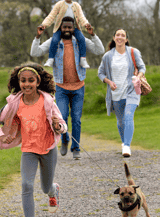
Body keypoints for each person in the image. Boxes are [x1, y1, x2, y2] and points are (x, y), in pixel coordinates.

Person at [0, 62, 67, 217]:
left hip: (48, 149)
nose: (26, 84)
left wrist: (59, 126)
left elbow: (63, 125)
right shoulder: (14, 103)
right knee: (26, 184)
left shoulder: (47, 101)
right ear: (19, 82)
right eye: (23, 81)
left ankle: (53, 190)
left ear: (38, 81)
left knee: (45, 187)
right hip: (29, 150)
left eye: (31, 80)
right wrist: (2, 136)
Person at [31, 16, 105, 159]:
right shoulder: (54, 42)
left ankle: (76, 148)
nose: (66, 30)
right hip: (61, 87)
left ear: (73, 28)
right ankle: (65, 141)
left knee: (76, 119)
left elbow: (99, 50)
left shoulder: (80, 41)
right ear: (60, 28)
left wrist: (93, 35)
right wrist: (37, 37)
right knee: (62, 117)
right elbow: (35, 52)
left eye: (69, 27)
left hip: (78, 87)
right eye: (64, 27)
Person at [98, 29, 146, 158]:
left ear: (126, 39)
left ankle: (126, 145)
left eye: (123, 35)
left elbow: (142, 67)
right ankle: (124, 142)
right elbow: (100, 73)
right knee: (120, 121)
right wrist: (108, 81)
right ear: (114, 38)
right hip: (116, 93)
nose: (120, 37)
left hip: (131, 90)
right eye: (118, 35)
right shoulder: (108, 56)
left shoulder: (133, 52)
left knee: (129, 115)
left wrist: (139, 77)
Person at [39, 0, 92, 69]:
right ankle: (51, 59)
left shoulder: (77, 6)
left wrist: (86, 24)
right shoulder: (59, 4)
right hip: (61, 28)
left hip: (73, 28)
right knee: (55, 40)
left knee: (81, 39)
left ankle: (83, 59)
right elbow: (51, 16)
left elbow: (81, 17)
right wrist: (44, 24)